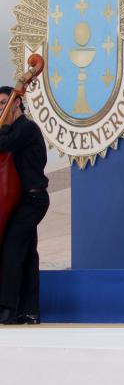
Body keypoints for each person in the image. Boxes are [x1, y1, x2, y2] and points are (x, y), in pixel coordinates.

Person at [0, 85, 50, 325]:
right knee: (28, 254)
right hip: (24, 200)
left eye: (3, 103)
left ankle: (7, 309)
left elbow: (4, 143)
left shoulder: (27, 128)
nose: (1, 109)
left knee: (12, 250)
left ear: (16, 102)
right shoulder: (14, 130)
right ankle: (29, 311)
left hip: (34, 200)